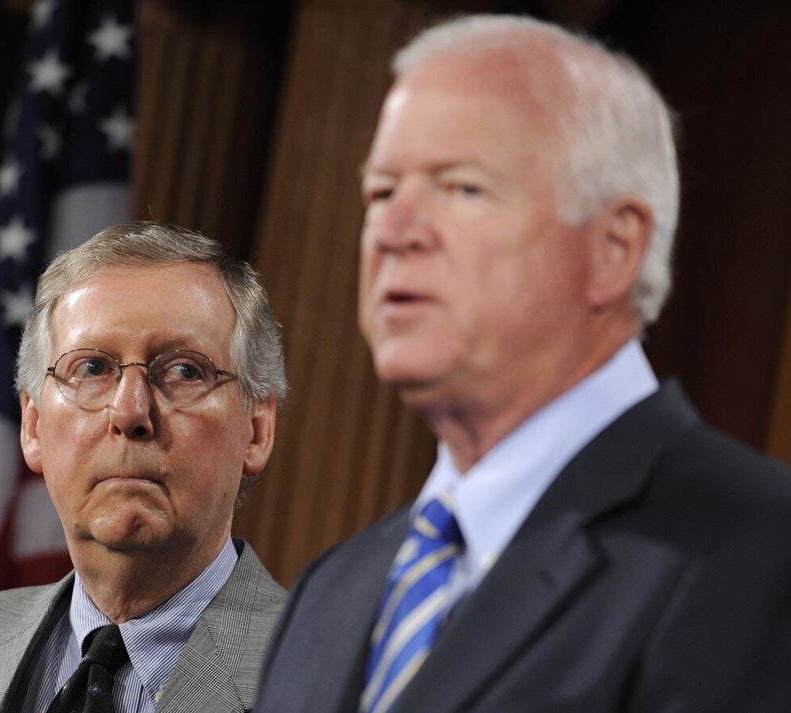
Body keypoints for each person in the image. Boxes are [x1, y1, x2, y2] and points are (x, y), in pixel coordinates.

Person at [254, 13, 791, 713]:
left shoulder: (756, 549)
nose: (393, 231)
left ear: (613, 249)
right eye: (381, 191)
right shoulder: (328, 590)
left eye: (461, 188)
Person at [0, 220, 289, 712]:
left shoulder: (341, 677)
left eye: (184, 370)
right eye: (92, 368)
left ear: (257, 429)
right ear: (32, 427)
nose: (130, 412)